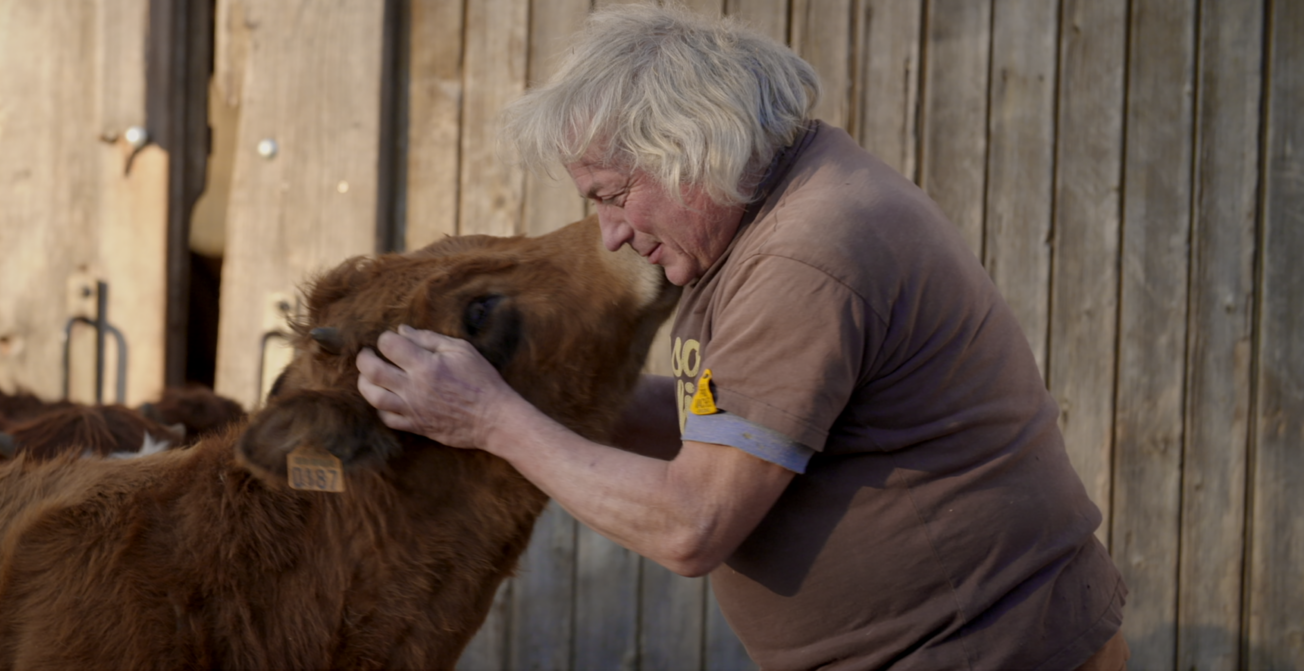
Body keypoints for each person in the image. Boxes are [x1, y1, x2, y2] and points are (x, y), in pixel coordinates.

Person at [355, 5, 1128, 670]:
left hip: (983, 648)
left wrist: (492, 420)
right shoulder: (780, 208)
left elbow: (691, 524)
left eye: (613, 195)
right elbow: (725, 419)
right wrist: (519, 394)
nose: (611, 232)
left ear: (691, 151)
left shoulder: (805, 255)